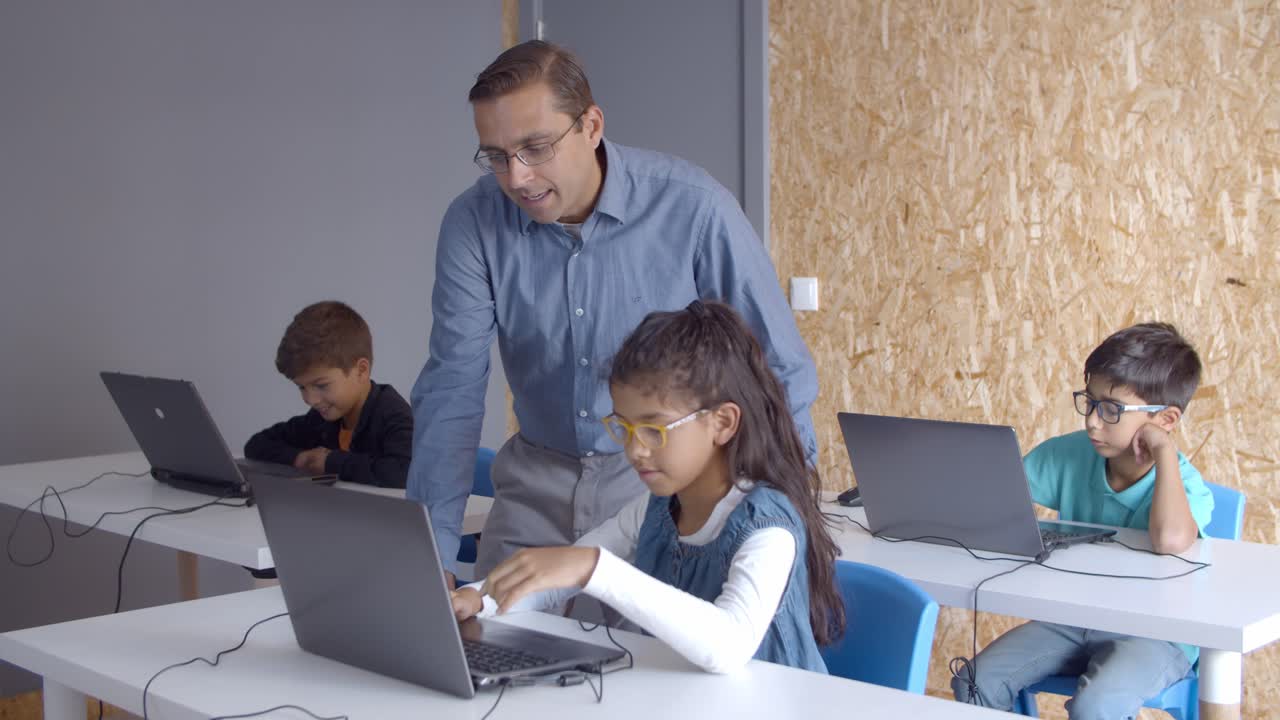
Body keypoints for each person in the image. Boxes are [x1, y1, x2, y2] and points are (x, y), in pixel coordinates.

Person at [410, 40, 819, 584]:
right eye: (497, 156)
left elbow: (777, 370)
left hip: (665, 491)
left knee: (653, 666)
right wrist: (430, 558)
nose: (517, 178)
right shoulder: (473, 222)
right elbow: (452, 388)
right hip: (535, 487)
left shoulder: (695, 208)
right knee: (486, 651)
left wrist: (791, 523)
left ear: (592, 125)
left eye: (536, 148)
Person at [451, 301, 843, 672]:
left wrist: (594, 568)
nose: (635, 450)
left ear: (722, 423)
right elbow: (557, 575)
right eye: (625, 427)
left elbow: (731, 644)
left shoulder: (768, 526)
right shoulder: (655, 508)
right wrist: (479, 599)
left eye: (654, 430)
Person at [951, 322, 1214, 718]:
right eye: (1089, 402)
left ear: (1166, 419)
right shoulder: (1071, 454)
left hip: (1157, 634)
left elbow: (1172, 539)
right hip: (1074, 620)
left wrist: (1163, 453)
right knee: (974, 681)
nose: (1092, 420)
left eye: (1111, 409)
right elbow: (996, 492)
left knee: (1096, 705)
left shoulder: (1186, 487)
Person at [245, 301, 413, 488]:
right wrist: (299, 458)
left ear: (361, 371)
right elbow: (256, 444)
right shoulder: (320, 420)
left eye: (321, 385)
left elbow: (406, 472)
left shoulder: (395, 416)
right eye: (302, 387)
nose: (310, 400)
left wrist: (331, 462)